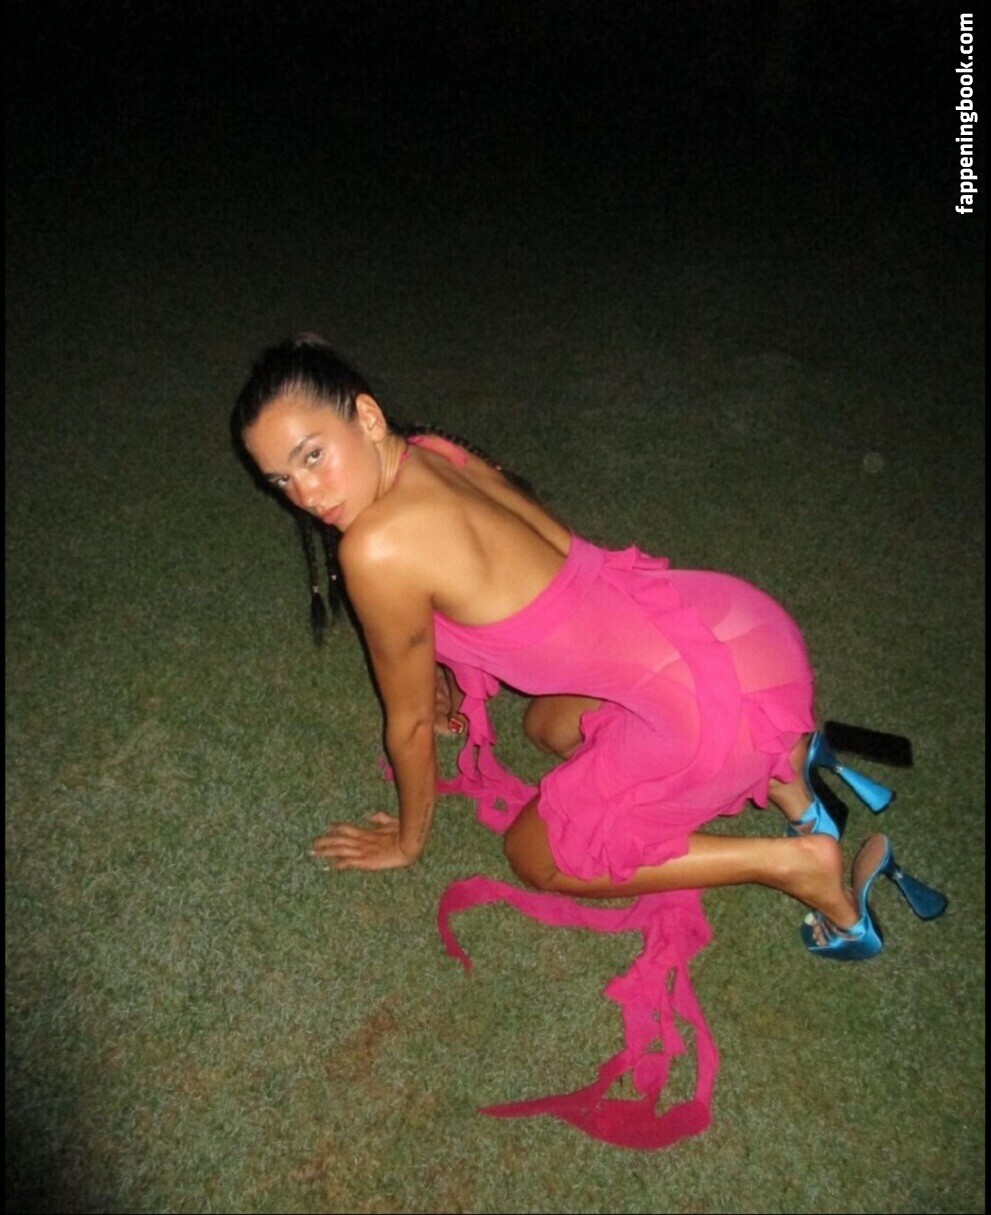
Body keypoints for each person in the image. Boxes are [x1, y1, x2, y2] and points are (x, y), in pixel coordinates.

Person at [232, 334, 946, 1146]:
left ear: (363, 415)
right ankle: (787, 771)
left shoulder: (375, 544)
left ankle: (795, 863)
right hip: (734, 628)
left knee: (538, 853)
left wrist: (408, 839)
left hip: (706, 701)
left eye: (312, 455)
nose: (305, 494)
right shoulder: (432, 451)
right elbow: (516, 574)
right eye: (280, 479)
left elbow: (408, 725)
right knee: (544, 723)